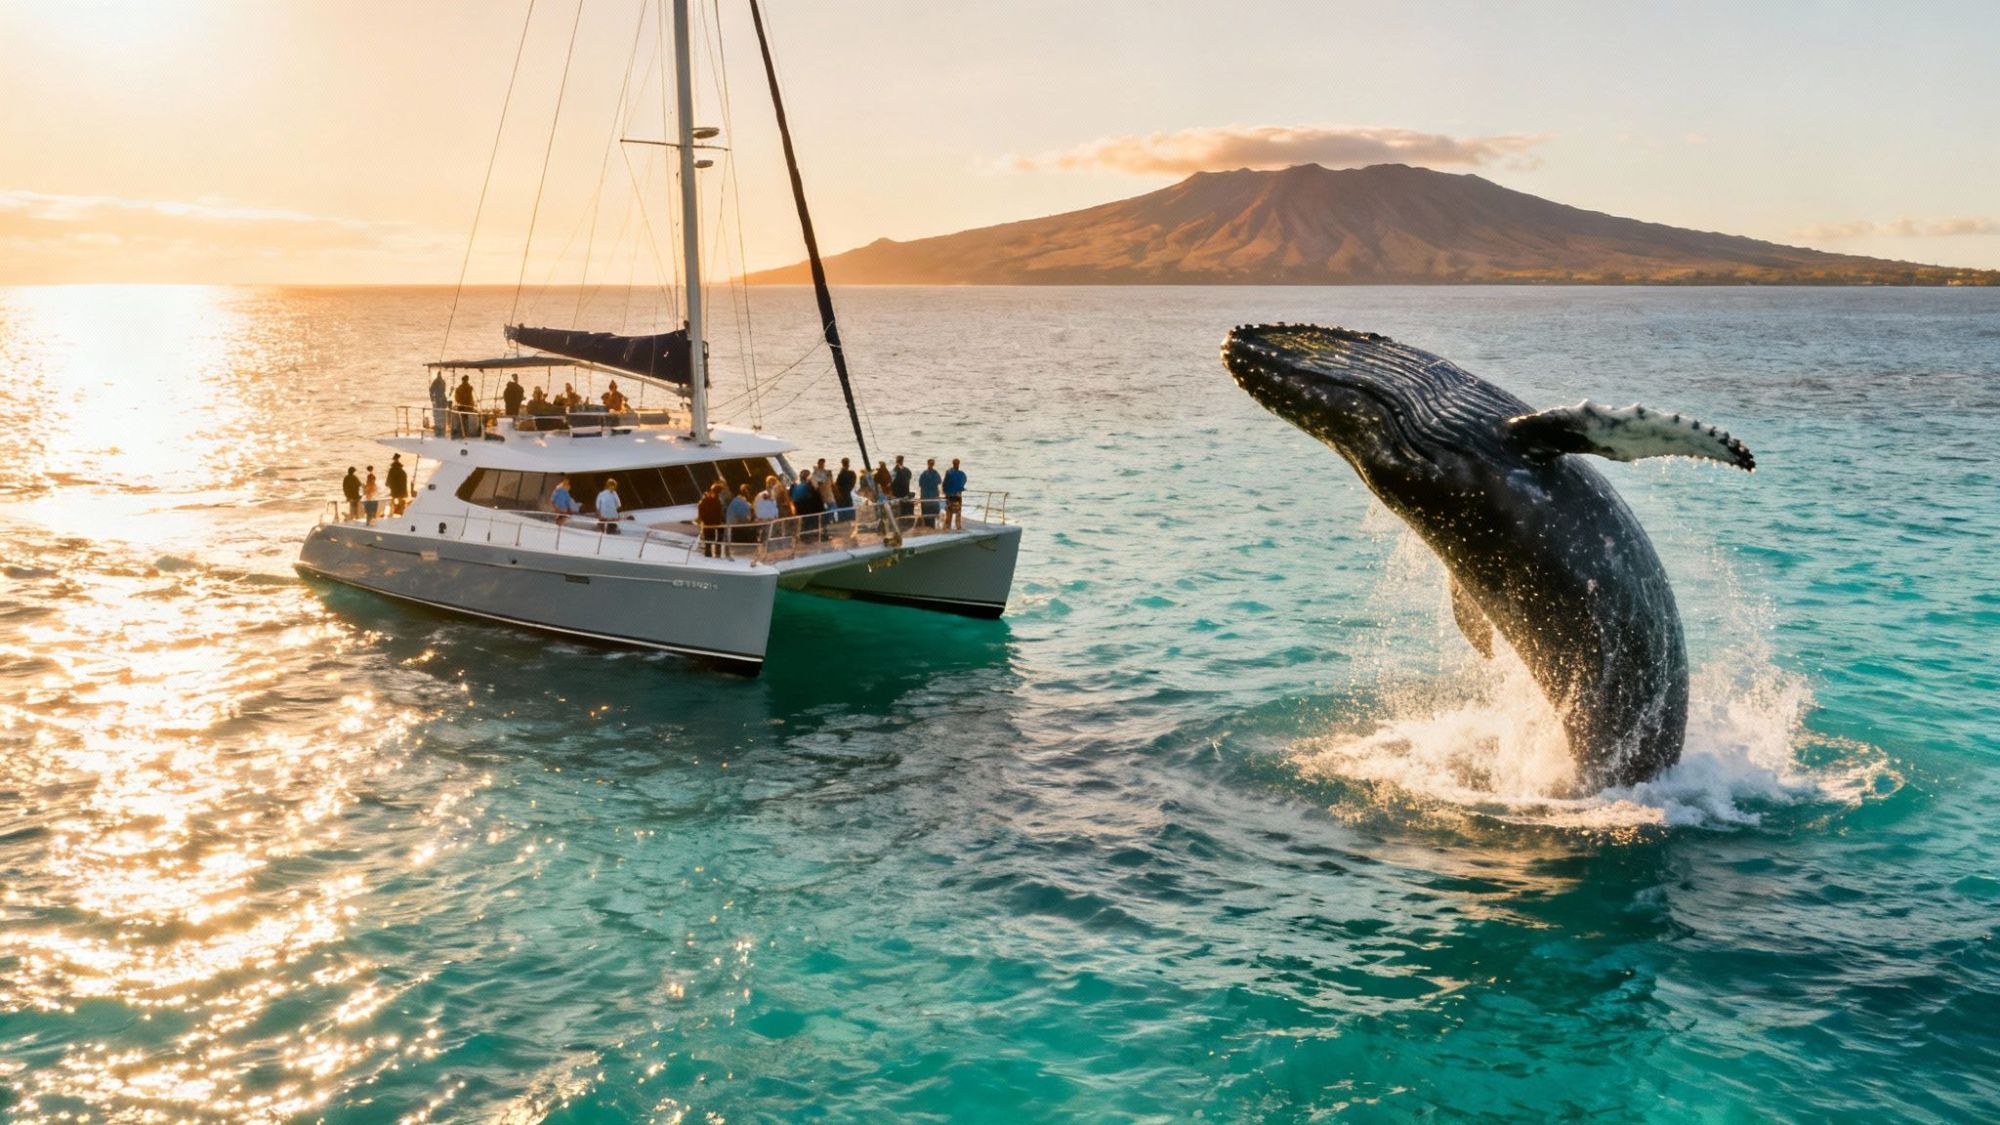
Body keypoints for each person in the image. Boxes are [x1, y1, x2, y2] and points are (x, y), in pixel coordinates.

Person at [791, 472, 825, 543]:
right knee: (812, 524)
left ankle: (804, 538)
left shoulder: (796, 487)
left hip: (799, 510)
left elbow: (793, 497)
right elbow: (814, 498)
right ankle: (814, 537)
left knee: (804, 524)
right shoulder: (808, 487)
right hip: (809, 510)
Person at [696, 481, 727, 557]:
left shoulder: (714, 499)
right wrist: (704, 520)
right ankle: (711, 552)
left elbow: (719, 512)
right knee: (709, 539)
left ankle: (716, 551)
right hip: (709, 522)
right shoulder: (708, 499)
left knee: (717, 535)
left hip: (714, 522)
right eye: (720, 492)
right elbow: (701, 510)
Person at [726, 484, 754, 554]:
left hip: (738, 523)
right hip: (737, 523)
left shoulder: (742, 500)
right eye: (746, 491)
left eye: (747, 490)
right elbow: (742, 513)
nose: (747, 492)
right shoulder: (740, 499)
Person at [942, 458, 967, 530]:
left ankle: (947, 527)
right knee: (958, 512)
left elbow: (945, 483)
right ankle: (958, 526)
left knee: (949, 512)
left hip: (950, 495)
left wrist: (944, 491)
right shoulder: (962, 473)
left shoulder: (949, 472)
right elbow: (964, 481)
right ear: (958, 464)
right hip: (958, 495)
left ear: (953, 463)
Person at [917, 458, 942, 528]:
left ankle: (927, 526)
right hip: (932, 495)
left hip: (926, 495)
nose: (931, 465)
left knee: (926, 513)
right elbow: (939, 481)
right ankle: (931, 527)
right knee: (932, 514)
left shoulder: (924, 473)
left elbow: (920, 484)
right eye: (931, 464)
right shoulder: (935, 473)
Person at [890, 455, 913, 523]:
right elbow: (909, 478)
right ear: (902, 461)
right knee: (904, 510)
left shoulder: (893, 471)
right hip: (905, 493)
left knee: (897, 511)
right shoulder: (907, 470)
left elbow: (890, 483)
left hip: (896, 494)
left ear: (896, 461)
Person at [833, 458, 856, 523]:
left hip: (841, 494)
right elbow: (852, 484)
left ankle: (843, 520)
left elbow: (837, 484)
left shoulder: (841, 474)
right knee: (849, 506)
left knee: (842, 507)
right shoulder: (851, 473)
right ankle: (850, 520)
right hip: (847, 493)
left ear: (842, 464)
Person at [429, 371, 449, 436]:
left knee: (441, 413)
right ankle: (440, 427)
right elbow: (431, 390)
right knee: (439, 413)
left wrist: (432, 396)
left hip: (441, 399)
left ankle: (441, 427)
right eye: (439, 375)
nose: (439, 376)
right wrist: (432, 397)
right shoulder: (437, 382)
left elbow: (432, 390)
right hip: (439, 399)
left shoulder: (441, 381)